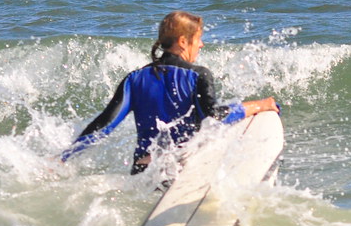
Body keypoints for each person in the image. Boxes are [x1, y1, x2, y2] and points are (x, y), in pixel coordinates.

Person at [61, 11, 279, 174]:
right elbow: (213, 117)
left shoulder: (134, 79)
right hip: (180, 168)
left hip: (143, 170)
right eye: (198, 38)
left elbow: (105, 124)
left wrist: (64, 158)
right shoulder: (199, 75)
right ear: (183, 41)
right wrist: (257, 106)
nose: (201, 45)